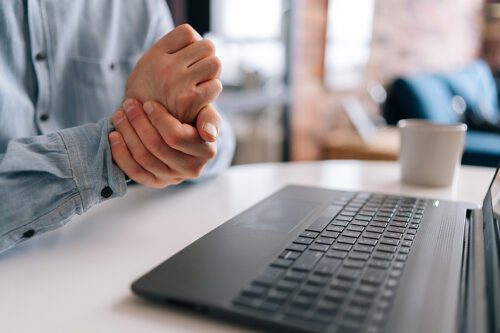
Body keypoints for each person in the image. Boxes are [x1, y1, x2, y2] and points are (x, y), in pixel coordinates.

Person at [0, 1, 235, 254]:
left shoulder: (140, 7)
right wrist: (112, 152)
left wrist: (191, 133)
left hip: (118, 252)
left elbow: (221, 141)